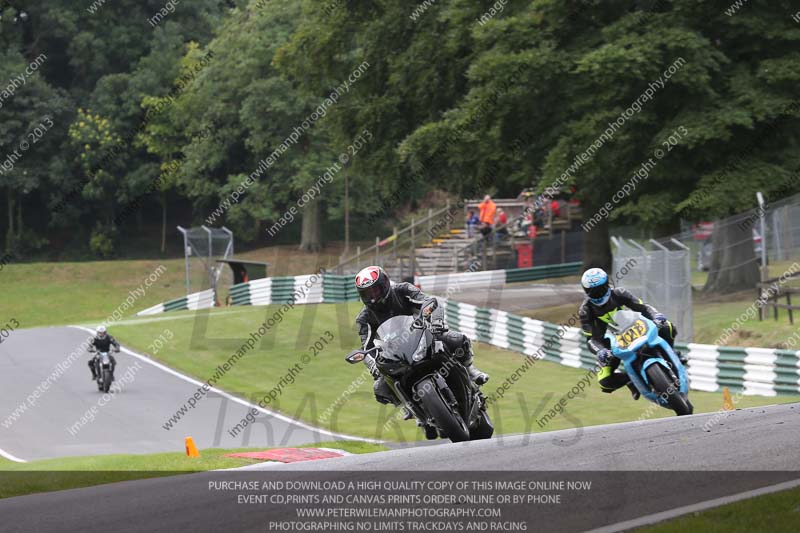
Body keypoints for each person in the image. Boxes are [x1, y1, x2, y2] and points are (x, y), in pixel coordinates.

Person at [354, 266, 489, 437]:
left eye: (376, 290)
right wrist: (373, 364)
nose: (373, 296)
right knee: (380, 387)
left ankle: (470, 371)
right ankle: (409, 408)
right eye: (368, 294)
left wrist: (436, 321)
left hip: (421, 334)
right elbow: (366, 347)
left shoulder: (402, 290)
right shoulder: (364, 318)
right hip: (395, 354)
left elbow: (429, 301)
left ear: (385, 284)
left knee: (457, 340)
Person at [578, 268, 685, 400]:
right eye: (593, 292)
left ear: (607, 285)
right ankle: (631, 380)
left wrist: (656, 315)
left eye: (600, 289)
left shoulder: (620, 293)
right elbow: (590, 339)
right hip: (611, 345)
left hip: (634, 328)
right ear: (586, 291)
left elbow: (643, 307)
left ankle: (672, 354)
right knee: (605, 382)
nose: (598, 294)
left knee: (666, 326)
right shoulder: (585, 310)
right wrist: (600, 351)